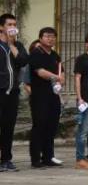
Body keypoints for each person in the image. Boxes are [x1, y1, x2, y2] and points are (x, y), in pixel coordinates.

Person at [28, 27, 63, 168]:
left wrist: (61, 80)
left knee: (52, 126)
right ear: (40, 38)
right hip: (39, 96)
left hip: (54, 96)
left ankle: (48, 157)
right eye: (47, 36)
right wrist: (56, 78)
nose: (50, 39)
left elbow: (62, 72)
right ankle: (35, 158)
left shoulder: (55, 55)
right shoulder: (36, 53)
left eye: (53, 36)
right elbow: (41, 72)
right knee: (39, 126)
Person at [0, 13, 28, 173]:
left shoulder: (18, 45)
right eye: (9, 24)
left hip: (12, 92)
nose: (12, 27)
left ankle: (6, 160)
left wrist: (11, 45)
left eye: (14, 25)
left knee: (8, 127)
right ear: (1, 27)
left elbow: (23, 61)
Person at [73, 32, 88, 170]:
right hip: (85, 99)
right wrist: (80, 98)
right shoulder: (82, 59)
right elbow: (77, 78)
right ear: (87, 44)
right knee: (83, 131)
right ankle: (80, 159)